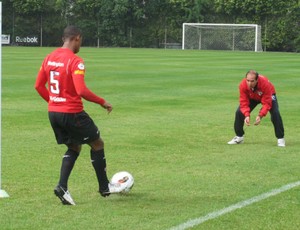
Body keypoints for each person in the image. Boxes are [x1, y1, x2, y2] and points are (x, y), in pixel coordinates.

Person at [35, 25, 124, 205]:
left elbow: (38, 86)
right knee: (97, 143)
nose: (80, 44)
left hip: (54, 113)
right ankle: (104, 187)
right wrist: (102, 101)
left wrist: (55, 102)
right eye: (81, 41)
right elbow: (81, 90)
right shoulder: (76, 61)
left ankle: (62, 187)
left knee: (74, 147)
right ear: (77, 38)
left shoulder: (49, 58)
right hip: (72, 113)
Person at [228, 70, 285, 147]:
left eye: (252, 81)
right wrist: (246, 115)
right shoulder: (243, 85)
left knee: (275, 113)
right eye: (247, 80)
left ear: (257, 80)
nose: (249, 83)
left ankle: (280, 138)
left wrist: (260, 115)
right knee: (239, 112)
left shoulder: (265, 84)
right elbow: (243, 102)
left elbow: (267, 103)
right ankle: (239, 137)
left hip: (268, 95)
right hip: (252, 96)